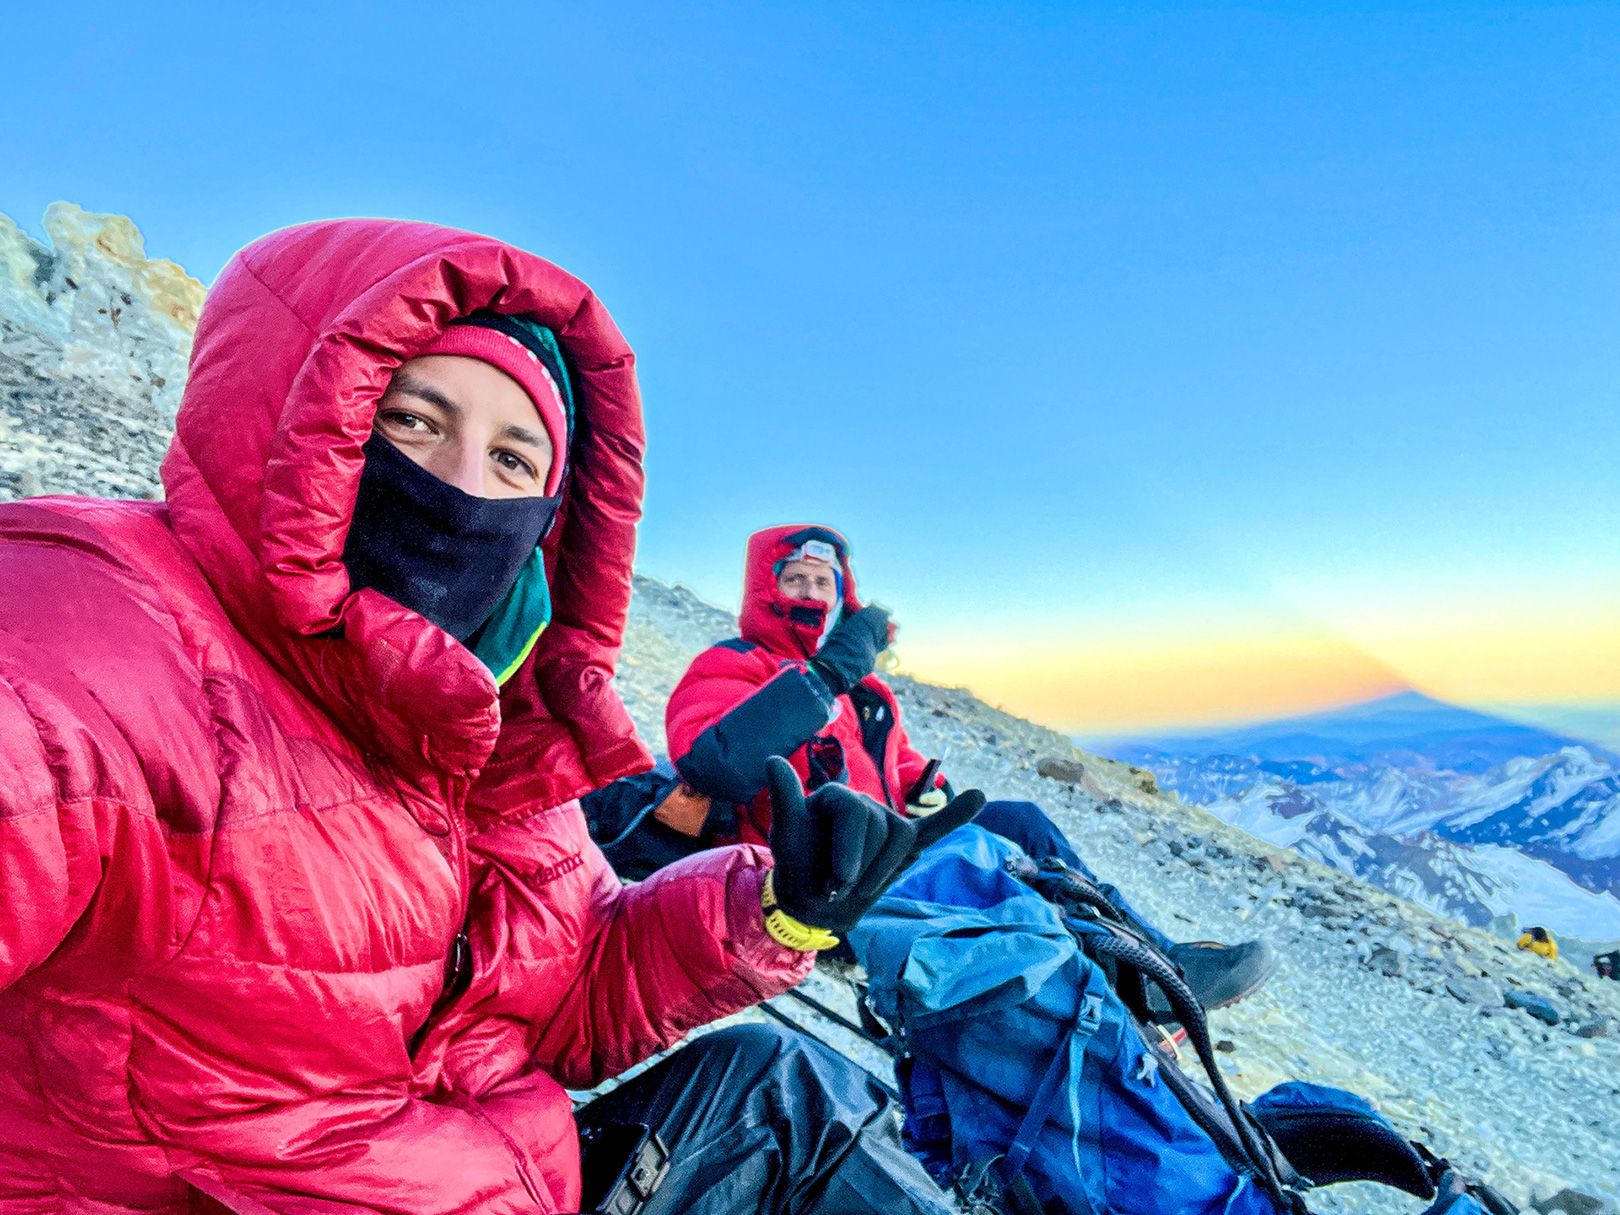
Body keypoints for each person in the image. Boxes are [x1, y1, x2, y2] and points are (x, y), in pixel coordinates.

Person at [0, 221, 976, 1214]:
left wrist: (780, 911)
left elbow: (571, 985)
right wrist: (822, 682)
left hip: (496, 1172)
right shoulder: (94, 640)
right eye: (414, 423)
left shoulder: (492, 720)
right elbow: (718, 760)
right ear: (307, 420)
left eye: (514, 462)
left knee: (789, 1083)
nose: (464, 486)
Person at [662, 523, 1278, 1014]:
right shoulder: (736, 665)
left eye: (824, 582)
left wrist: (928, 788)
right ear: (763, 591)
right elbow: (715, 766)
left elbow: (897, 765)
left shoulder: (869, 691)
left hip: (888, 849)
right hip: (816, 883)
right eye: (795, 579)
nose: (811, 595)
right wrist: (826, 676)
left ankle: (1157, 959)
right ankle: (1133, 989)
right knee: (985, 858)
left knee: (1022, 824)